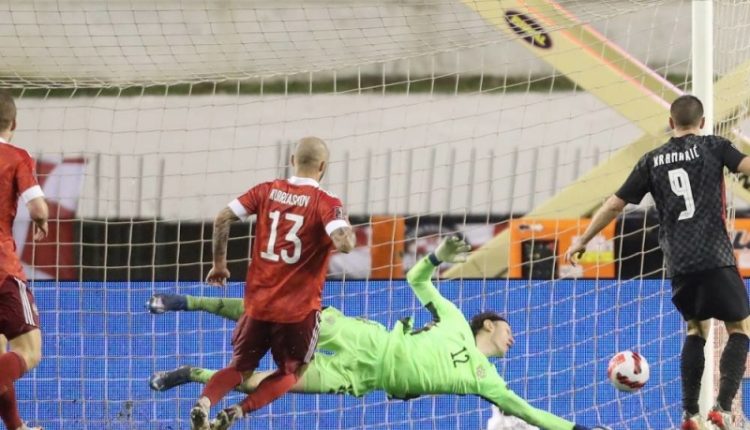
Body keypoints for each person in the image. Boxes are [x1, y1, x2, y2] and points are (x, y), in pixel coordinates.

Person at [151, 237, 607, 430]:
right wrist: (437, 256)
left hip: (362, 378)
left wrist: (581, 429)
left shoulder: (488, 381)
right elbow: (418, 280)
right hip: (367, 340)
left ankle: (194, 376)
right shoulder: (453, 318)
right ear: (488, 323)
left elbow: (531, 413)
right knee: (282, 309)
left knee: (277, 382)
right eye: (508, 328)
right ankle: (188, 301)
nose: (513, 337)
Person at [564, 94, 750, 430]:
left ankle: (690, 413)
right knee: (739, 328)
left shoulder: (651, 160)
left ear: (670, 122)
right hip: (715, 254)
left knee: (696, 329)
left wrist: (583, 239)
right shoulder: (714, 145)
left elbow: (614, 204)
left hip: (679, 261)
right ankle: (722, 408)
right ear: (703, 122)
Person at [189, 136, 356, 430]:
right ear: (323, 166)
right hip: (297, 312)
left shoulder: (267, 190)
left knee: (240, 368)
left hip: (258, 304)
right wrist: (345, 228)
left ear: (293, 161)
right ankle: (238, 411)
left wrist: (220, 265)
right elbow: (345, 244)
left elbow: (222, 218)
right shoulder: (326, 202)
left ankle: (204, 402)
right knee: (293, 372)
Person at [0, 91, 49, 430]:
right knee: (29, 351)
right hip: (2, 269)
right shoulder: (16, 157)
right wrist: (41, 219)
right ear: (13, 123)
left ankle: (15, 427)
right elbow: (37, 206)